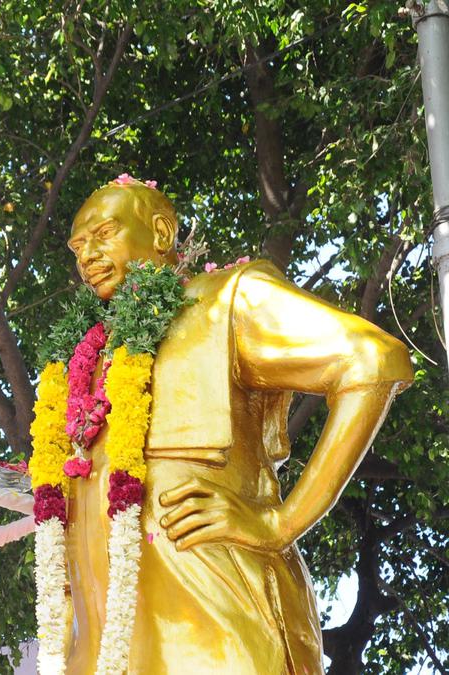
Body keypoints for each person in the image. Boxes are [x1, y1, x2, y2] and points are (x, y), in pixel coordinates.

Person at [59, 177, 413, 673]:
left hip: (220, 629)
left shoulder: (225, 300)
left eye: (104, 233)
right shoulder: (89, 358)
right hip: (102, 648)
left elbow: (372, 361)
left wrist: (280, 524)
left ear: (161, 232)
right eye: (78, 245)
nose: (87, 255)